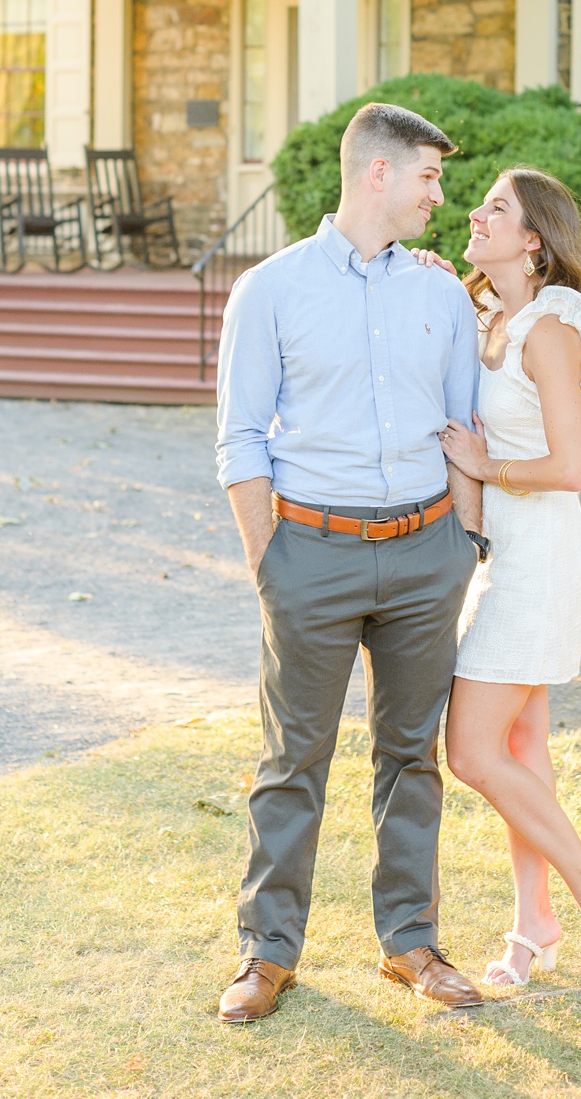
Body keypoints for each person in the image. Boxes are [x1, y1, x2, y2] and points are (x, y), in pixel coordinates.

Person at [211, 101, 489, 1024]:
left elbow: (465, 430)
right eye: (428, 177)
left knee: (411, 758)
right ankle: (266, 953)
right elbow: (241, 438)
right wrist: (272, 561)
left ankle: (412, 943)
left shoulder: (442, 293)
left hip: (424, 557)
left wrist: (467, 544)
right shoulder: (272, 289)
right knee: (294, 758)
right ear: (378, 173)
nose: (437, 197)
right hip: (311, 555)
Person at [436, 167, 581, 986]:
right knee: (522, 745)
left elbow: (570, 466)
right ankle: (534, 922)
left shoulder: (552, 330)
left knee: (469, 751)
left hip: (538, 559)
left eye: (497, 208)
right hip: (505, 554)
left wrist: (484, 465)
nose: (476, 211)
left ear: (534, 240)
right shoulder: (496, 316)